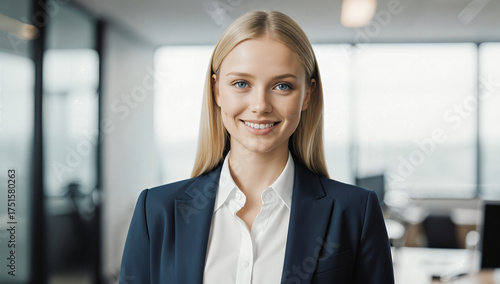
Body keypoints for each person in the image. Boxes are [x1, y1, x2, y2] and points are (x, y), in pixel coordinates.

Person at [120, 10, 394, 284]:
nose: (260, 105)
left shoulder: (356, 213)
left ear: (307, 94)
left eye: (282, 86)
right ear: (217, 91)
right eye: (241, 83)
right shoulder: (156, 211)